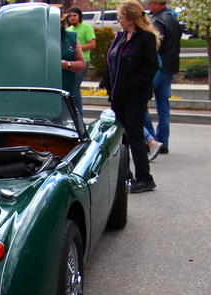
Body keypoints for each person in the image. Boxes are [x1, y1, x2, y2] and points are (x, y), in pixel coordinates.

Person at [102, 0, 160, 193]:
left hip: (135, 96)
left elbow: (150, 67)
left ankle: (145, 177)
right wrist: (107, 84)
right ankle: (125, 174)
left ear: (131, 19)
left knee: (135, 135)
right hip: (118, 96)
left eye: (121, 17)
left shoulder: (145, 38)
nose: (118, 20)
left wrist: (132, 85)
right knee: (121, 136)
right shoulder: (120, 37)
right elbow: (111, 62)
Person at [143, 0, 183, 155]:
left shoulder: (157, 21)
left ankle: (152, 139)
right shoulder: (173, 19)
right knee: (163, 106)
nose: (148, 6)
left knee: (141, 101)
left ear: (157, 4)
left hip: (159, 66)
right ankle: (164, 141)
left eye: (150, 3)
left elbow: (154, 44)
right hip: (171, 66)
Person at [66, 7, 96, 117]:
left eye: (74, 15)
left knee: (75, 88)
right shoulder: (68, 30)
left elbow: (92, 44)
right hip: (69, 64)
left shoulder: (86, 28)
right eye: (70, 16)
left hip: (82, 61)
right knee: (68, 88)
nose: (72, 18)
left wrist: (77, 49)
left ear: (80, 16)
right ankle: (70, 112)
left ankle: (79, 114)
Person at [60, 15, 86, 100]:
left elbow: (82, 63)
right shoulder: (37, 38)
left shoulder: (71, 38)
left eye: (60, 22)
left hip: (65, 88)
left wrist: (68, 64)